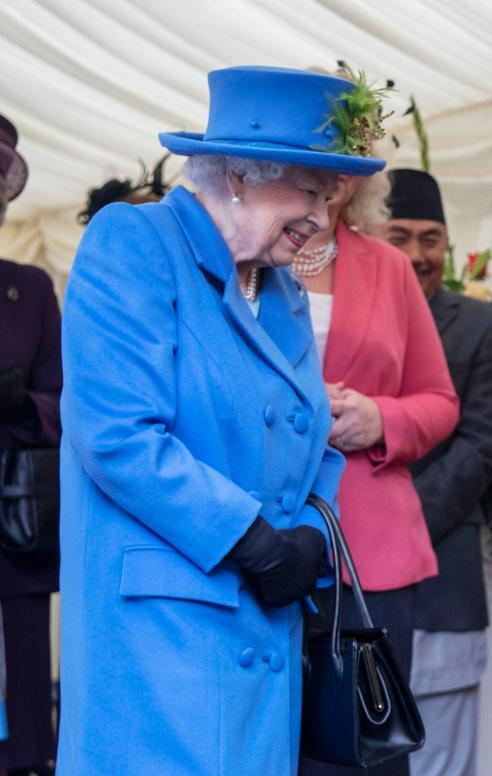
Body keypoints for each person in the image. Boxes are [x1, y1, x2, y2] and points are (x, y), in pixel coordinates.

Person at [57, 66, 388, 773]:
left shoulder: (281, 286)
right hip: (160, 638)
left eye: (330, 199)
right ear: (239, 174)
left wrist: (306, 532)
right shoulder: (134, 243)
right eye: (309, 192)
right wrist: (251, 538)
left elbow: (313, 434)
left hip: (265, 630)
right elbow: (117, 435)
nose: (321, 221)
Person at [292, 149, 459, 776]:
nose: (325, 176)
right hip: (256, 533)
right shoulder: (238, 261)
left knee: (364, 752)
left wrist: (380, 419)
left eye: (341, 160)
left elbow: (441, 402)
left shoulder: (388, 266)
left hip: (373, 546)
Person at [382, 168, 492, 776]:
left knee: (442, 763)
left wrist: (390, 523)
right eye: (400, 235)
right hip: (346, 583)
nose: (417, 255)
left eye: (431, 238)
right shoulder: (332, 317)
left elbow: (483, 447)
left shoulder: (484, 327)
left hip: (442, 577)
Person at [0, 112, 59, 776]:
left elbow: (72, 407)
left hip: (12, 534)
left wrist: (23, 405)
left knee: (22, 737)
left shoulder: (30, 290)